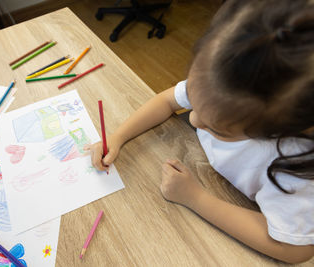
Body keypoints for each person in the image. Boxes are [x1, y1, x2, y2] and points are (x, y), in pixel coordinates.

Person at [85, 0, 314, 263]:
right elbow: (166, 101)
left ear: (274, 132)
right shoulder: (220, 80)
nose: (193, 120)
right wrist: (118, 136)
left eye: (215, 127)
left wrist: (195, 198)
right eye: (193, 97)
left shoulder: (297, 168)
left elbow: (294, 249)